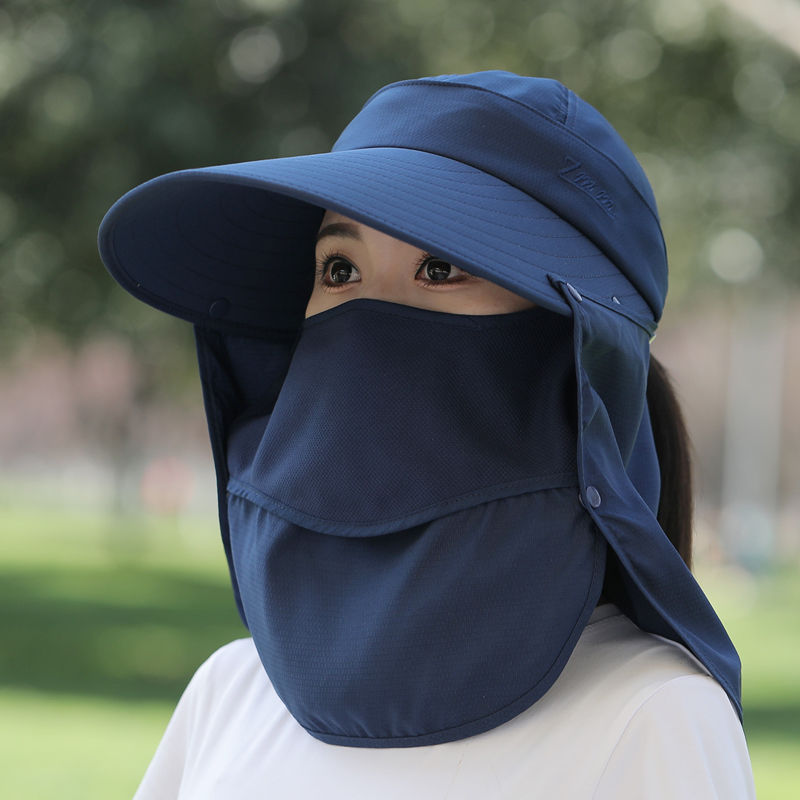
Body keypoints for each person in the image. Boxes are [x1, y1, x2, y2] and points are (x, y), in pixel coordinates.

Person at [98, 71, 755, 798]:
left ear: (575, 341)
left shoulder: (653, 715)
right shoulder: (230, 693)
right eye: (338, 268)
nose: (366, 321)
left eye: (440, 267)